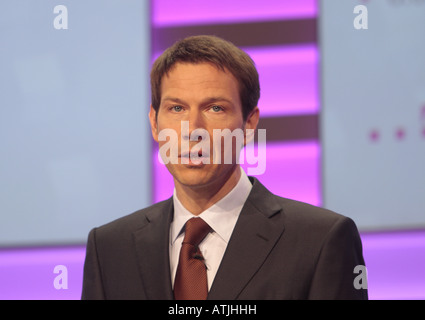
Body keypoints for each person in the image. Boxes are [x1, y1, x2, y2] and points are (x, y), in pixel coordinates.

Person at [81, 35, 368, 300]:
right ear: (155, 123)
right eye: (177, 108)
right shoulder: (109, 248)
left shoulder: (320, 240)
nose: (193, 130)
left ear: (249, 124)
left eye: (215, 108)